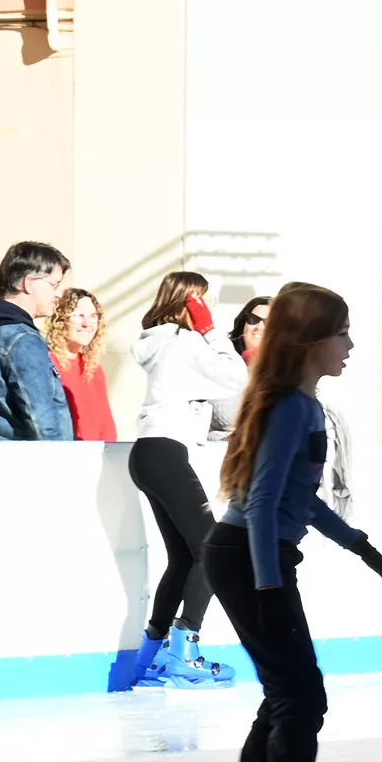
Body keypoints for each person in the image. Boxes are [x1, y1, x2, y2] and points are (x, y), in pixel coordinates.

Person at [202, 281, 382, 762]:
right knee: (302, 697)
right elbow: (262, 505)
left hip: (247, 556)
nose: (350, 345)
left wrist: (365, 549)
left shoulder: (298, 403)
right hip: (249, 558)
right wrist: (268, 586)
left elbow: (300, 502)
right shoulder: (290, 405)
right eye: (341, 333)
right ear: (312, 341)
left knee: (286, 692)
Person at [125, 271, 249, 687]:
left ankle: (150, 657)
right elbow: (238, 378)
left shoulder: (159, 342)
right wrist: (213, 331)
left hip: (150, 453)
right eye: (205, 301)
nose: (209, 309)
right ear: (191, 302)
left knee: (185, 558)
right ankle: (182, 651)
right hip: (164, 453)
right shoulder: (187, 341)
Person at [0, 240, 73, 440]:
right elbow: (42, 419)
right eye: (54, 284)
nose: (58, 294)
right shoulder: (21, 339)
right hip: (20, 462)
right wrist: (64, 463)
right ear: (29, 283)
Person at [46, 288, 117, 441]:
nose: (87, 324)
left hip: (94, 455)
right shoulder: (47, 362)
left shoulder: (92, 366)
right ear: (61, 319)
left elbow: (105, 422)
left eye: (93, 316)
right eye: (78, 315)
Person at [230, 296, 270, 366]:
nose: (259, 327)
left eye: (269, 322)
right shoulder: (223, 351)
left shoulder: (287, 361)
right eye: (253, 319)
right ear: (243, 323)